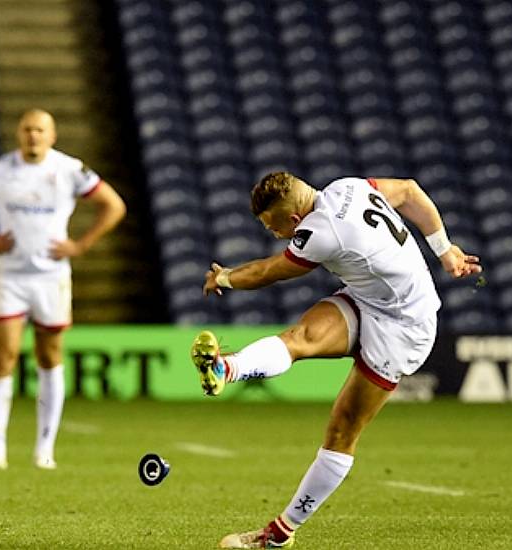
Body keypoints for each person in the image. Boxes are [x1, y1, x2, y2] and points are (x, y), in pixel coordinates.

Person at [192, 172, 482, 548]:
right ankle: (225, 368)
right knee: (300, 338)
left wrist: (225, 278)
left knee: (343, 430)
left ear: (294, 220)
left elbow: (268, 272)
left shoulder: (320, 232)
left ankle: (279, 534)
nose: (274, 234)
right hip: (369, 298)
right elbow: (409, 190)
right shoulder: (350, 186)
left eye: (273, 226)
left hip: (405, 327)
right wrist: (444, 249)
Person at [0, 109, 126, 470]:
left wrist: (82, 245)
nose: (33, 135)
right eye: (27, 129)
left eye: (40, 130)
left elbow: (114, 205)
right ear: (18, 133)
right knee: (3, 355)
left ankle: (45, 449)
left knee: (49, 355)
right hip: (9, 275)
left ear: (52, 135)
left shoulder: (70, 169)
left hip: (50, 277)